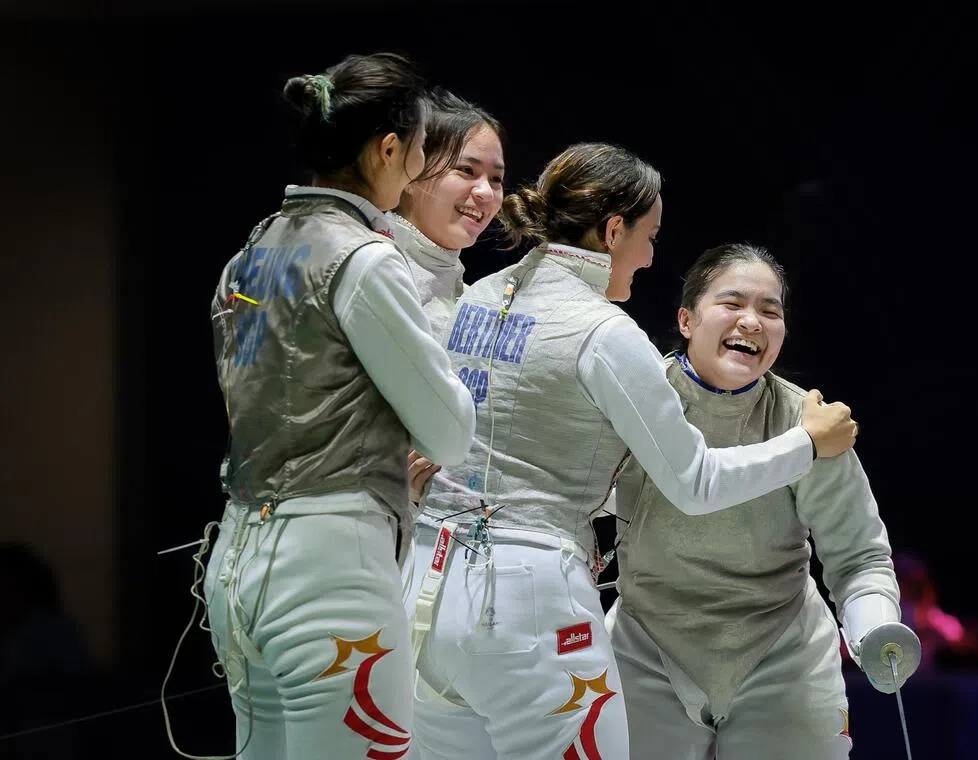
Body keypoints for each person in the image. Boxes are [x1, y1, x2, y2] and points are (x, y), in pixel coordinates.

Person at [404, 143, 860, 760]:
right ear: (614, 230)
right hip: (527, 602)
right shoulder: (604, 332)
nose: (649, 257)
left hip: (426, 592)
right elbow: (694, 482)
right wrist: (806, 444)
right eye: (649, 236)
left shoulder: (480, 295)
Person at [195, 52, 477, 760]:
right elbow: (448, 431)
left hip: (237, 565)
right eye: (418, 151)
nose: (417, 170)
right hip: (329, 574)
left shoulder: (251, 252)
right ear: (387, 149)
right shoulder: (362, 258)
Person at [605, 243, 919, 760]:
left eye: (769, 311)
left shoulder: (810, 422)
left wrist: (874, 625)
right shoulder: (632, 403)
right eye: (732, 304)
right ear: (686, 319)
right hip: (646, 645)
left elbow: (859, 554)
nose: (751, 321)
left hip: (783, 651)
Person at [388, 88, 507, 504]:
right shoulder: (376, 273)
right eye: (466, 170)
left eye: (495, 178)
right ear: (414, 170)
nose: (486, 193)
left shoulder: (471, 297)